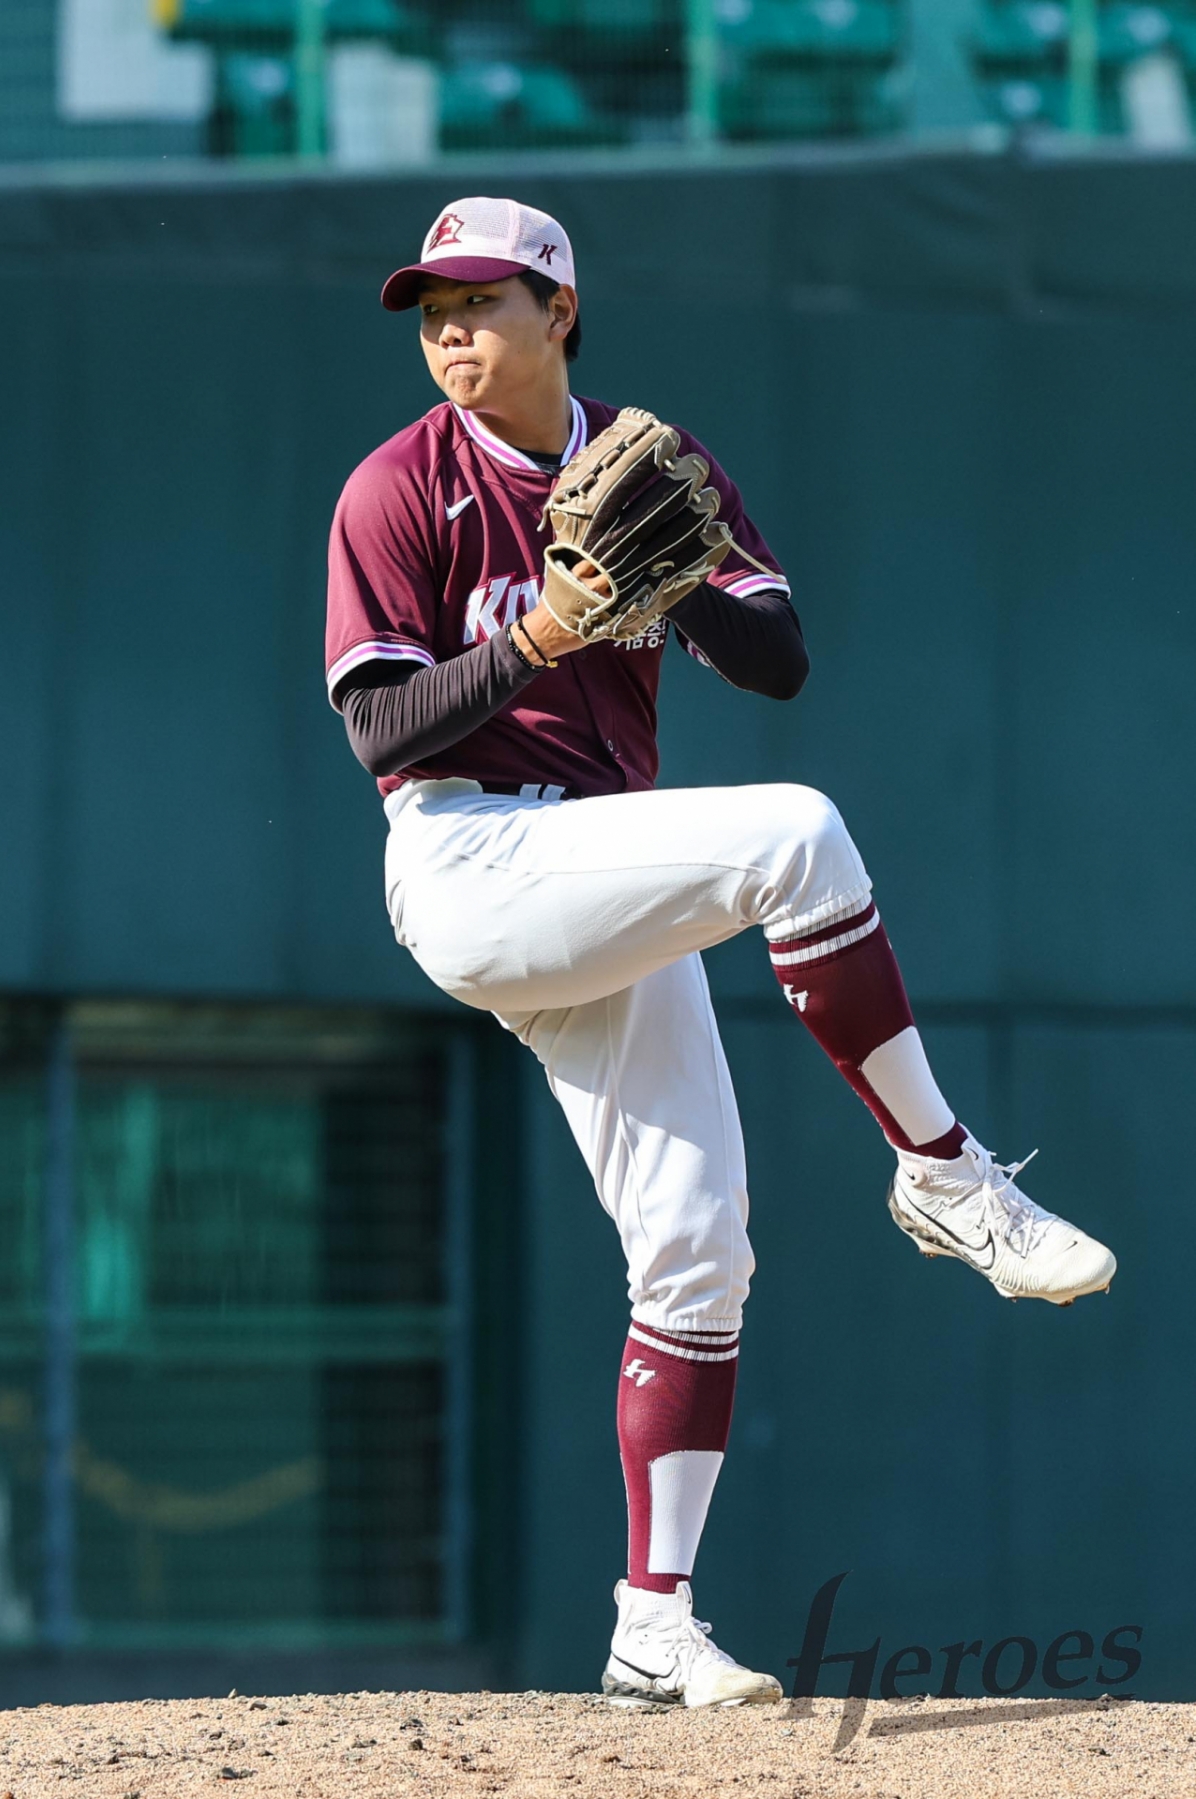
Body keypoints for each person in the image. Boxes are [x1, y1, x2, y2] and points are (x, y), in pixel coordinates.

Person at [324, 195, 1116, 1709]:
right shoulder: (397, 488)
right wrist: (539, 641)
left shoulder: (648, 463)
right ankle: (947, 1173)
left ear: (560, 309)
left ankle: (652, 1619)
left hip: (604, 878)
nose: (449, 331)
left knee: (699, 1251)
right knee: (797, 837)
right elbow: (376, 726)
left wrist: (676, 580)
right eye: (430, 307)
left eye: (481, 302)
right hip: (474, 859)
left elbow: (780, 658)